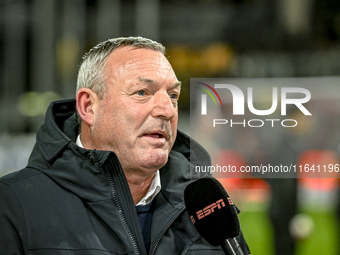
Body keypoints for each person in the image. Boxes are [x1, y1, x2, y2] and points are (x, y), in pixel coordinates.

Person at [0, 36, 250, 255]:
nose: (167, 110)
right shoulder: (13, 205)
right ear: (88, 107)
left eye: (173, 95)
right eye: (142, 92)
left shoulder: (209, 209)